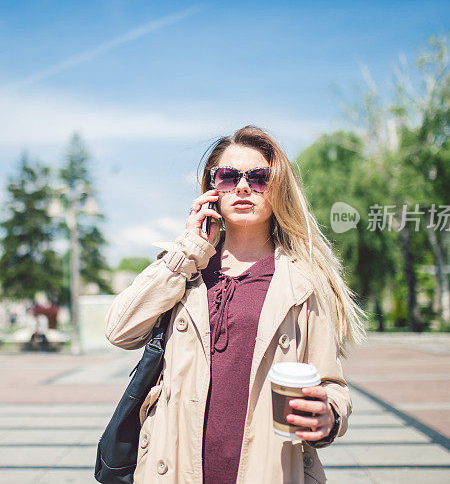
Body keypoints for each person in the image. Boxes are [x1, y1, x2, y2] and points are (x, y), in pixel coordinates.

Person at [105, 126, 366, 483]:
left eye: (259, 178)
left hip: (268, 469)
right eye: (228, 177)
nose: (243, 187)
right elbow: (119, 330)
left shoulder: (303, 282)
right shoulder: (186, 268)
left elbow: (331, 384)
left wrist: (329, 416)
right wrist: (186, 250)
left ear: (278, 189)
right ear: (212, 189)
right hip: (175, 467)